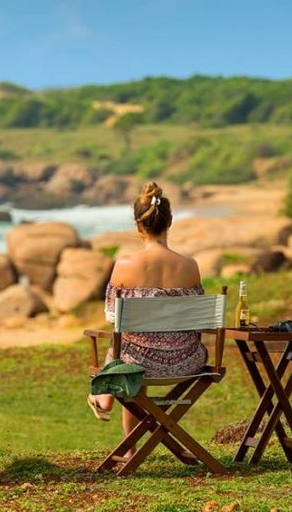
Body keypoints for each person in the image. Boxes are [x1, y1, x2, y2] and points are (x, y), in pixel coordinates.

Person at [87, 182, 208, 455]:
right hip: (188, 363)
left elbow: (112, 318)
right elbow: (197, 319)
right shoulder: (190, 266)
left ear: (138, 226)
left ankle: (104, 398)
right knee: (133, 360)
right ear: (170, 222)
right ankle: (129, 444)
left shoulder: (125, 266)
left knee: (126, 358)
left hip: (138, 365)